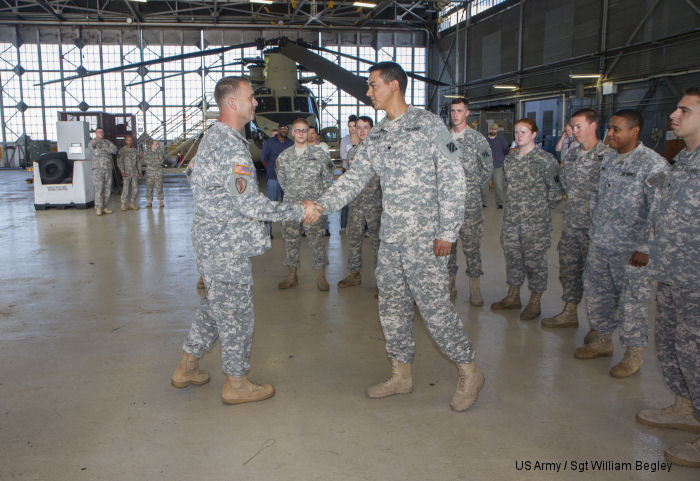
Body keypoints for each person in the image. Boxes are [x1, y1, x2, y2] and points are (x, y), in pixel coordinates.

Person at [302, 62, 484, 412]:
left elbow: (454, 177)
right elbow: (355, 179)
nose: (368, 92)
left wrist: (448, 231)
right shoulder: (380, 134)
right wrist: (321, 205)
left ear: (394, 85)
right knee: (392, 308)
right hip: (391, 240)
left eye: (373, 85)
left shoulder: (431, 124)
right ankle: (401, 374)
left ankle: (469, 371)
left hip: (427, 240)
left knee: (435, 310)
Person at [170, 76, 308, 405]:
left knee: (216, 307)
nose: (256, 103)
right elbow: (248, 202)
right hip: (225, 245)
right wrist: (298, 210)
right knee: (235, 314)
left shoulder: (213, 137)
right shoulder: (230, 145)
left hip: (212, 239)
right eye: (250, 97)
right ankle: (237, 382)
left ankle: (187, 366)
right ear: (233, 103)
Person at [574, 110, 669, 378]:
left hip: (631, 251)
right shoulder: (610, 160)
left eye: (617, 129)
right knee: (599, 294)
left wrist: (646, 248)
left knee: (632, 302)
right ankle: (603, 341)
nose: (610, 134)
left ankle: (633, 354)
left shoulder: (654, 165)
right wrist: (595, 229)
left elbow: (660, 210)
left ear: (635, 131)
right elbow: (598, 196)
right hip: (602, 241)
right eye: (610, 128)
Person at [637, 88, 700, 467]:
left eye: (684, 110)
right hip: (673, 273)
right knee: (676, 347)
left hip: (697, 279)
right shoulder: (685, 160)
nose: (674, 115)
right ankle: (685, 407)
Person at [491, 118, 563, 320]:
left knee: (535, 262)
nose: (519, 135)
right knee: (513, 259)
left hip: (535, 224)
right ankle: (513, 296)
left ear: (534, 134)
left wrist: (539, 211)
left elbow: (556, 192)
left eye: (524, 131)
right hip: (512, 221)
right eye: (516, 131)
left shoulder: (546, 160)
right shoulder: (510, 161)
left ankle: (535, 301)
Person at [542, 109, 607, 328]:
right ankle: (569, 312)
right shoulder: (571, 156)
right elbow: (566, 187)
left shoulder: (607, 158)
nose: (575, 131)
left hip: (597, 231)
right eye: (572, 127)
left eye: (579, 126)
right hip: (572, 226)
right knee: (568, 271)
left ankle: (599, 328)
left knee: (597, 279)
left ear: (593, 126)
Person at [276, 118, 333, 291]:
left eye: (304, 130)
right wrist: (295, 198)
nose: (301, 134)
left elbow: (328, 179)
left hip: (313, 208)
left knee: (317, 241)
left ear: (308, 132)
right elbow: (282, 180)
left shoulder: (320, 155)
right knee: (291, 241)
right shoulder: (284, 157)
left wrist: (318, 201)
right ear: (293, 133)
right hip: (292, 207)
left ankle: (321, 276)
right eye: (297, 130)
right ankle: (292, 275)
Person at [446, 98, 492, 306]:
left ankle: (475, 289)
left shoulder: (477, 139)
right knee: (448, 247)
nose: (455, 114)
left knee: (472, 247)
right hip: (447, 205)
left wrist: (470, 187)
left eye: (459, 111)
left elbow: (487, 167)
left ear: (467, 113)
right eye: (453, 111)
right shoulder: (443, 138)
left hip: (470, 205)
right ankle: (450, 286)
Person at [337, 115, 381, 290]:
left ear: (371, 129)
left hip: (375, 204)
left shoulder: (379, 152)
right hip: (356, 204)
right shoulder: (353, 152)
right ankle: (354, 274)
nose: (361, 131)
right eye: (358, 127)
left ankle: (381, 281)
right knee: (353, 239)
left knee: (378, 242)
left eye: (365, 127)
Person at [261, 124, 293, 236]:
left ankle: (285, 230)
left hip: (287, 181)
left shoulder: (291, 144)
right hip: (273, 179)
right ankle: (268, 230)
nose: (284, 130)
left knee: (286, 206)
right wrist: (271, 170)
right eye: (282, 128)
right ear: (278, 129)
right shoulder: (269, 143)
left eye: (286, 128)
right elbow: (264, 159)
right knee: (271, 205)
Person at [87, 127, 117, 216]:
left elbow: (114, 150)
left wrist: (105, 149)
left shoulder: (107, 142)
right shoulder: (93, 142)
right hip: (98, 169)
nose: (101, 133)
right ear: (95, 133)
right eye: (99, 132)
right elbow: (95, 152)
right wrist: (106, 150)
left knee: (107, 188)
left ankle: (104, 206)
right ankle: (98, 208)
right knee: (99, 188)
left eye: (102, 132)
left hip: (107, 169)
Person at [482, 122, 509, 209]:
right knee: (484, 186)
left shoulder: (501, 140)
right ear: (489, 130)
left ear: (497, 130)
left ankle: (499, 203)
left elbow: (506, 150)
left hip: (497, 166)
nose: (493, 130)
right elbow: (481, 151)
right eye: (492, 129)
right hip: (486, 166)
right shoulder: (485, 140)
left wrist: (499, 158)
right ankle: (483, 202)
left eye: (495, 129)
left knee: (498, 186)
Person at [338, 115, 359, 230]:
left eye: (354, 126)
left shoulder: (362, 139)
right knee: (346, 201)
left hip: (359, 173)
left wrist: (350, 153)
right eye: (350, 126)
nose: (352, 128)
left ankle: (363, 227)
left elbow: (361, 157)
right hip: (347, 172)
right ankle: (343, 225)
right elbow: (343, 155)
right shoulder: (345, 140)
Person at [117, 136, 142, 212]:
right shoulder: (122, 150)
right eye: (128, 140)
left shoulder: (135, 150)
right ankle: (123, 204)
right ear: (125, 141)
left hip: (134, 172)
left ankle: (132, 203)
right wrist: (122, 171)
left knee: (135, 188)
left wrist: (139, 172)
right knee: (126, 189)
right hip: (126, 173)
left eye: (131, 140)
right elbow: (119, 162)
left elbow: (138, 162)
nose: (129, 142)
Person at [143, 139, 165, 208]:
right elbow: (146, 161)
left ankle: (160, 201)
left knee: (159, 187)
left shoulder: (160, 151)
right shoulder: (147, 152)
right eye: (156, 144)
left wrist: (154, 161)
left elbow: (162, 160)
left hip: (158, 172)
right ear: (151, 145)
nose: (157, 145)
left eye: (157, 144)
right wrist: (156, 160)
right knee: (149, 187)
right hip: (150, 172)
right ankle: (149, 201)